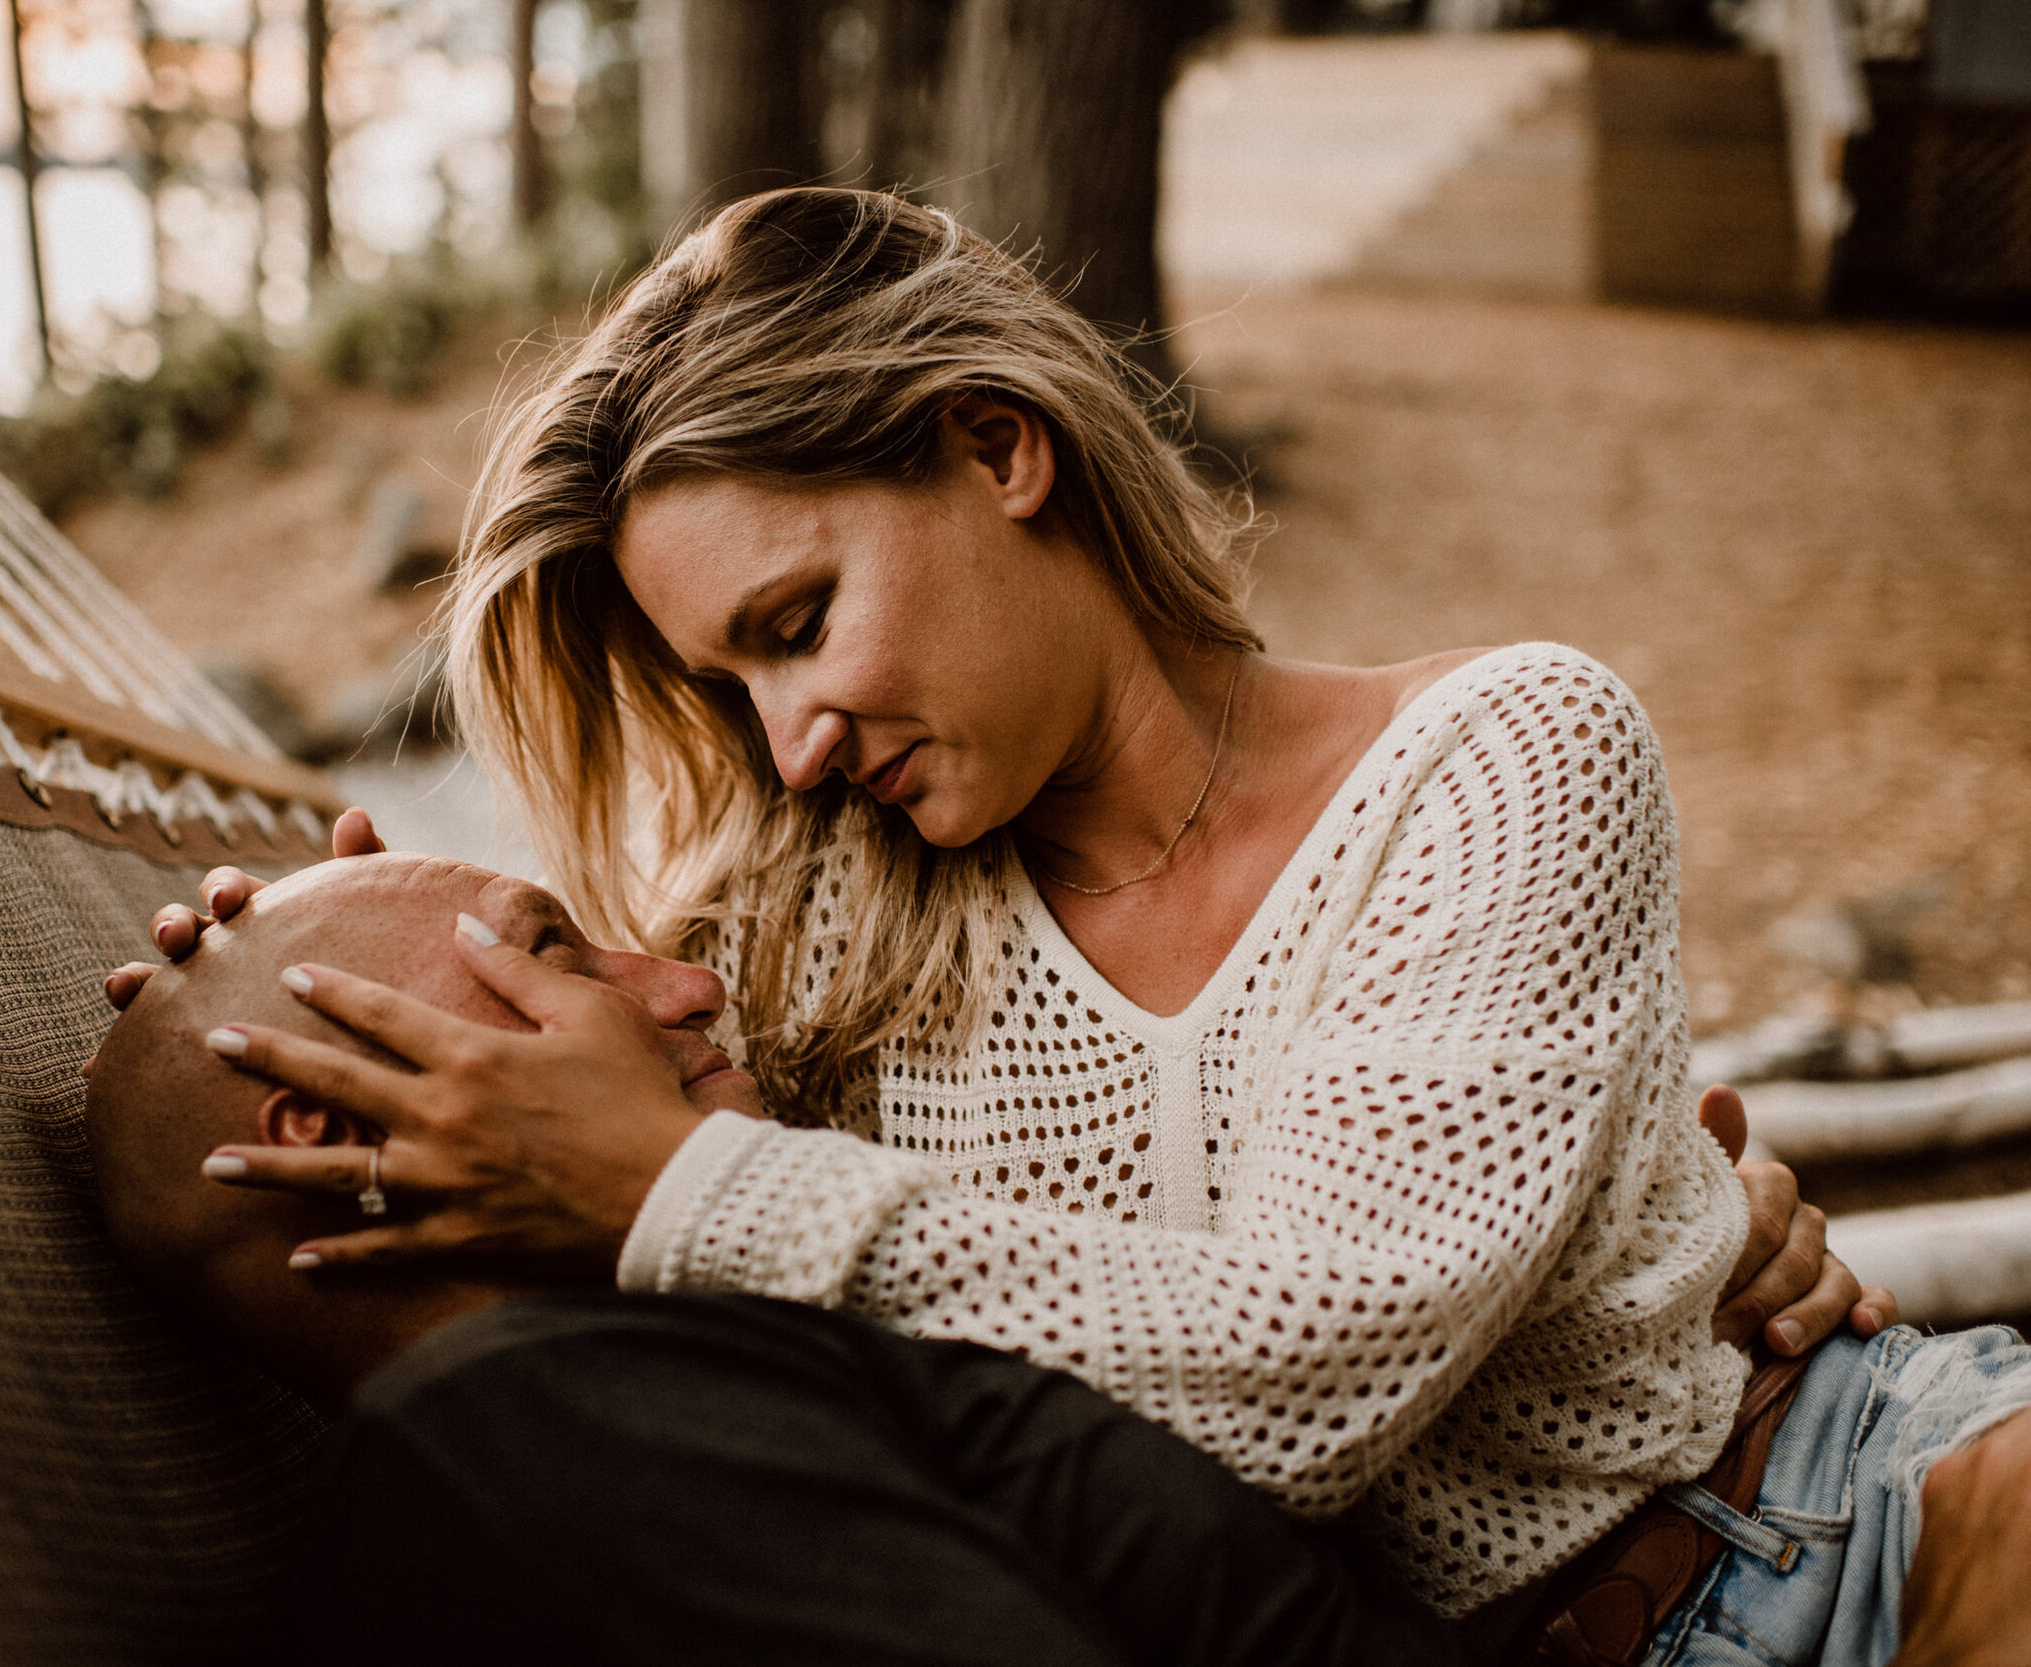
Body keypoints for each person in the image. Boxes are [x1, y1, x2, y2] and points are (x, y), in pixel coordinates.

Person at [115, 189, 2020, 1664]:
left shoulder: (1503, 759)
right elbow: (673, 1316)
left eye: (796, 623)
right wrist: (332, 985)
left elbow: (1312, 1376)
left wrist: (676, 1177)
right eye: (731, 688)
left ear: (998, 448)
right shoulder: (802, 925)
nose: (789, 744)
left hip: (1884, 1525)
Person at [85, 851, 1476, 1666]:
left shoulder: (641, 1382)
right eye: (553, 951)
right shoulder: (517, 1441)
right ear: (336, 1129)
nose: (683, 985)